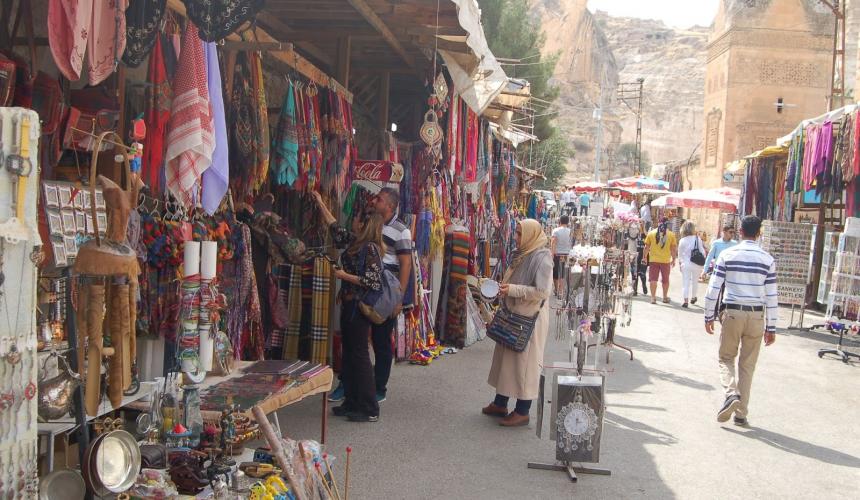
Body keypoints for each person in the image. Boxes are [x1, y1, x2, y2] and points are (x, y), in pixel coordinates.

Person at [312, 191, 384, 422]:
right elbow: (334, 225)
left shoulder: (371, 249)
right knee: (351, 355)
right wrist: (321, 202)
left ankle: (369, 407)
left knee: (360, 355)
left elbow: (373, 281)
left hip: (359, 309)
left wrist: (344, 276)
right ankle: (352, 401)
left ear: (363, 223)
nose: (351, 220)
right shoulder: (354, 242)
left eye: (355, 218)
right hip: (349, 306)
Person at [703, 216, 777, 427]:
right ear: (759, 233)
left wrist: (708, 315)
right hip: (756, 316)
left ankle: (730, 394)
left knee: (726, 357)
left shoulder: (728, 254)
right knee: (748, 365)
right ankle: (741, 412)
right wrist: (771, 327)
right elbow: (772, 296)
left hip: (733, 312)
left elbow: (713, 288)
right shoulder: (767, 259)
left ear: (740, 232)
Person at [483, 219, 553, 427]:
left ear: (532, 235)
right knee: (506, 360)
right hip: (514, 313)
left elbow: (542, 291)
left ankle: (523, 410)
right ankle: (500, 402)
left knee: (525, 365)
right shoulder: (523, 252)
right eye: (517, 232)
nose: (516, 237)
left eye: (520, 233)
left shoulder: (542, 258)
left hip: (529, 317)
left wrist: (513, 290)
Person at [370, 187, 412, 403]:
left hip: (386, 292)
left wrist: (399, 298)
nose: (374, 201)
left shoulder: (401, 230)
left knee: (381, 340)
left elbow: (406, 264)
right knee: (360, 339)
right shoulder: (374, 223)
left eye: (379, 199)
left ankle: (379, 387)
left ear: (390, 206)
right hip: (368, 288)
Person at [643, 219, 677, 304]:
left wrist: (644, 257)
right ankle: (665, 297)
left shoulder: (651, 233)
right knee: (665, 280)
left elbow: (646, 247)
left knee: (653, 279)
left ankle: (653, 298)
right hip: (665, 261)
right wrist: (673, 259)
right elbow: (673, 249)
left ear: (658, 223)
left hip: (653, 260)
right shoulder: (671, 235)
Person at [677, 221, 705, 308]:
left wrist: (680, 264)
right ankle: (693, 297)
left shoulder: (682, 240)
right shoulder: (697, 239)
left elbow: (680, 255)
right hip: (696, 264)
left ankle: (685, 301)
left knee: (685, 283)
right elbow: (702, 251)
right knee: (695, 281)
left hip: (686, 264)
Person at [551, 215, 573, 297]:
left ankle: (556, 290)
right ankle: (561, 291)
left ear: (560, 221)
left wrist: (551, 254)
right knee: (563, 273)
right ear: (568, 222)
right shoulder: (570, 231)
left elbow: (553, 243)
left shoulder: (556, 231)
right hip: (566, 255)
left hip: (557, 254)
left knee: (555, 273)